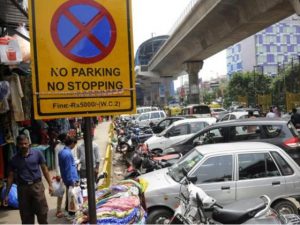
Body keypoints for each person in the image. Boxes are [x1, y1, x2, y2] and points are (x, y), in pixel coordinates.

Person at [3, 134, 53, 224]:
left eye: (25, 143)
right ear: (17, 144)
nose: (24, 146)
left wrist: (50, 185)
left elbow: (45, 169)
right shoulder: (13, 159)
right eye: (21, 144)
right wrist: (6, 194)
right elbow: (10, 177)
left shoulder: (37, 153)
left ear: (29, 143)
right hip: (23, 190)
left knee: (42, 213)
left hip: (37, 187)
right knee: (26, 217)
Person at [58, 136, 79, 220]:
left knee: (69, 195)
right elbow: (68, 169)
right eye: (74, 144)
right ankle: (71, 214)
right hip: (71, 178)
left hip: (66, 178)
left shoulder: (62, 152)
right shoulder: (67, 153)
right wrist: (71, 181)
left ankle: (68, 211)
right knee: (72, 197)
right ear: (72, 143)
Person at [54, 133, 68, 218]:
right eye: (66, 137)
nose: (67, 138)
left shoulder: (68, 145)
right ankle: (58, 210)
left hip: (68, 171)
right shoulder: (58, 147)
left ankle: (68, 208)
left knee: (69, 191)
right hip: (61, 173)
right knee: (60, 192)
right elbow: (57, 162)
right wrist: (58, 173)